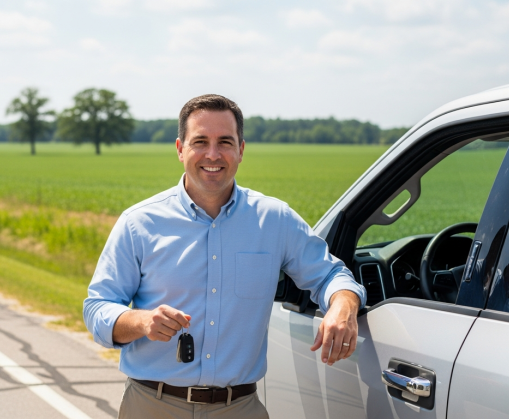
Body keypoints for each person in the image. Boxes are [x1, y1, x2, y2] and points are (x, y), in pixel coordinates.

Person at [83, 94, 366, 418]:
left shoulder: (275, 220)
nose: (213, 154)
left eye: (225, 142)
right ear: (180, 149)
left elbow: (331, 275)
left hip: (240, 407)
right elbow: (97, 308)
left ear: (241, 150)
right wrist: (141, 321)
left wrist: (344, 305)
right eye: (200, 141)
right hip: (151, 405)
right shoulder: (138, 223)